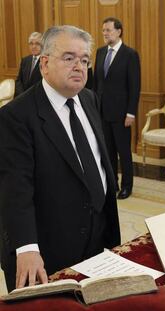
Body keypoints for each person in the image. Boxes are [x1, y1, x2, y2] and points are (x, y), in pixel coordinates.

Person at [0, 25, 121, 292]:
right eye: (69, 58)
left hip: (97, 239)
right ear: (44, 64)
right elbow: (14, 190)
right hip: (47, 250)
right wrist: (27, 248)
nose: (79, 66)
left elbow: (98, 164)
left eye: (85, 60)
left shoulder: (89, 99)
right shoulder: (16, 116)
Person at [94, 17, 140, 200]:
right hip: (102, 111)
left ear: (119, 31)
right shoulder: (99, 52)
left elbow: (134, 86)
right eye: (103, 30)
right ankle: (112, 184)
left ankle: (127, 186)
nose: (105, 33)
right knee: (107, 151)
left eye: (109, 30)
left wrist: (131, 112)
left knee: (123, 151)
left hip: (122, 114)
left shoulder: (130, 54)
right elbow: (97, 83)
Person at [14, 32, 43, 98]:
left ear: (43, 45)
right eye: (31, 44)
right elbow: (19, 80)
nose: (33, 46)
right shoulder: (25, 60)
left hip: (37, 97)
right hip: (22, 97)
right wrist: (22, 95)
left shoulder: (46, 61)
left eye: (37, 44)